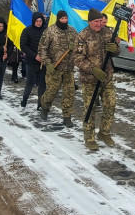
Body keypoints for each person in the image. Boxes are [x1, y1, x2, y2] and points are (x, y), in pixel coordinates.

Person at [75, 9, 121, 150]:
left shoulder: (108, 32)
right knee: (90, 108)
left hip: (106, 78)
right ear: (90, 22)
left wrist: (115, 49)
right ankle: (89, 138)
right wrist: (92, 69)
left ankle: (104, 132)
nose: (99, 24)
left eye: (101, 21)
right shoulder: (82, 36)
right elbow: (77, 59)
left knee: (110, 105)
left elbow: (116, 52)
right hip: (90, 80)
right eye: (96, 21)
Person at [36, 9, 77, 126]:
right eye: (62, 19)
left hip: (69, 68)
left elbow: (80, 46)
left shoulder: (72, 31)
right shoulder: (50, 31)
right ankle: (44, 107)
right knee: (52, 91)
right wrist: (47, 63)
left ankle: (67, 116)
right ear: (58, 19)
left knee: (69, 93)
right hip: (54, 68)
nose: (64, 21)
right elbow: (42, 48)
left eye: (66, 18)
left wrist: (76, 46)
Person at [18, 13, 47, 109]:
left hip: (43, 61)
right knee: (30, 82)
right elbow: (23, 45)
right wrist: (34, 56)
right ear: (34, 21)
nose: (39, 23)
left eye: (40, 21)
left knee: (42, 83)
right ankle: (25, 99)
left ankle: (40, 104)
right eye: (37, 21)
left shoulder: (46, 31)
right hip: (31, 61)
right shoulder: (27, 31)